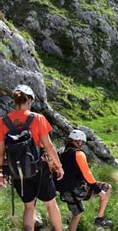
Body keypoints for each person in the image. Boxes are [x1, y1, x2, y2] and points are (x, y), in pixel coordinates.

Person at [0, 85, 64, 231]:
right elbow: (49, 146)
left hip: (17, 172)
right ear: (29, 99)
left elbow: (1, 152)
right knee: (51, 204)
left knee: (29, 207)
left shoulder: (3, 121)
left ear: (15, 101)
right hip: (38, 168)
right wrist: (58, 166)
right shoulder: (38, 118)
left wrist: (1, 172)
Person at [56, 129, 112, 229]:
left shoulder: (61, 152)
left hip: (64, 191)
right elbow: (87, 174)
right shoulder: (79, 154)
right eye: (81, 142)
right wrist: (99, 191)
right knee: (107, 187)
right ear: (78, 141)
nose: (81, 144)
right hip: (76, 190)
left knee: (77, 213)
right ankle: (100, 218)